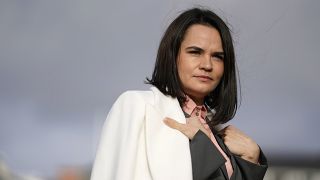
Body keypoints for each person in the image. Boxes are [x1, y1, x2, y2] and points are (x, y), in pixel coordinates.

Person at [91, 7, 268, 180]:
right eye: (195, 52)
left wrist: (251, 157)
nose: (207, 65)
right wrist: (203, 145)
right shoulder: (138, 107)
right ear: (172, 56)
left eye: (217, 56)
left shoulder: (218, 137)